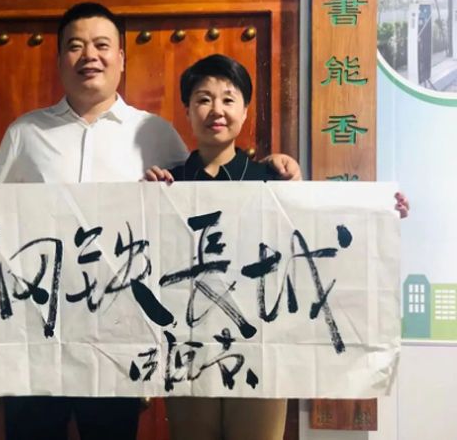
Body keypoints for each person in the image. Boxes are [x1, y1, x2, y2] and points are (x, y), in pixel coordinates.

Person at [0, 2, 303, 440]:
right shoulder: (26, 133)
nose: (89, 56)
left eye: (101, 45)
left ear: (121, 58)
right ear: (60, 59)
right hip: (37, 331)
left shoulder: (153, 133)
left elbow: (201, 191)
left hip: (119, 336)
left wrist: (272, 170)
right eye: (75, 46)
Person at [144, 54, 410, 440]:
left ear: (245, 110)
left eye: (228, 99)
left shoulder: (274, 180)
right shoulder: (166, 185)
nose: (216, 110)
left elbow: (321, 234)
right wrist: (142, 201)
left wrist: (382, 211)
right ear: (187, 110)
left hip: (262, 350)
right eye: (203, 99)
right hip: (188, 351)